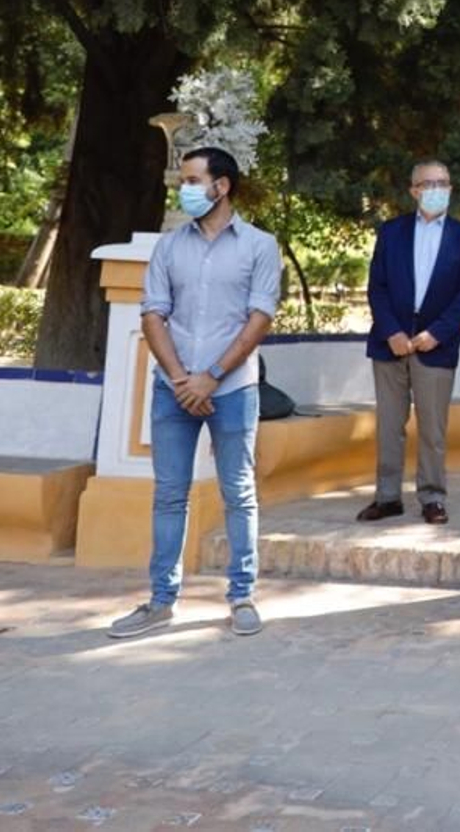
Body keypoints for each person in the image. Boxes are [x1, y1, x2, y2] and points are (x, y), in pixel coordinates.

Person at [109, 147, 282, 640]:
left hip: (233, 388)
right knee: (168, 495)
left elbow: (259, 318)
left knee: (238, 493)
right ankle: (161, 601)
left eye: (191, 179)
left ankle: (241, 594)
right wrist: (184, 377)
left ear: (221, 185)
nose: (182, 188)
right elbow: (152, 313)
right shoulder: (168, 246)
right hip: (173, 388)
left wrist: (211, 376)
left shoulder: (259, 245)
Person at [358, 159, 460, 525]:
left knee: (432, 429)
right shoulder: (391, 232)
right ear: (413, 191)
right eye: (428, 184)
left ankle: (432, 497)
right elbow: (376, 287)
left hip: (436, 346)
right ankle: (387, 497)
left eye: (443, 183)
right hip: (389, 343)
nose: (436, 189)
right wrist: (392, 331)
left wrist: (436, 333)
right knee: (389, 425)